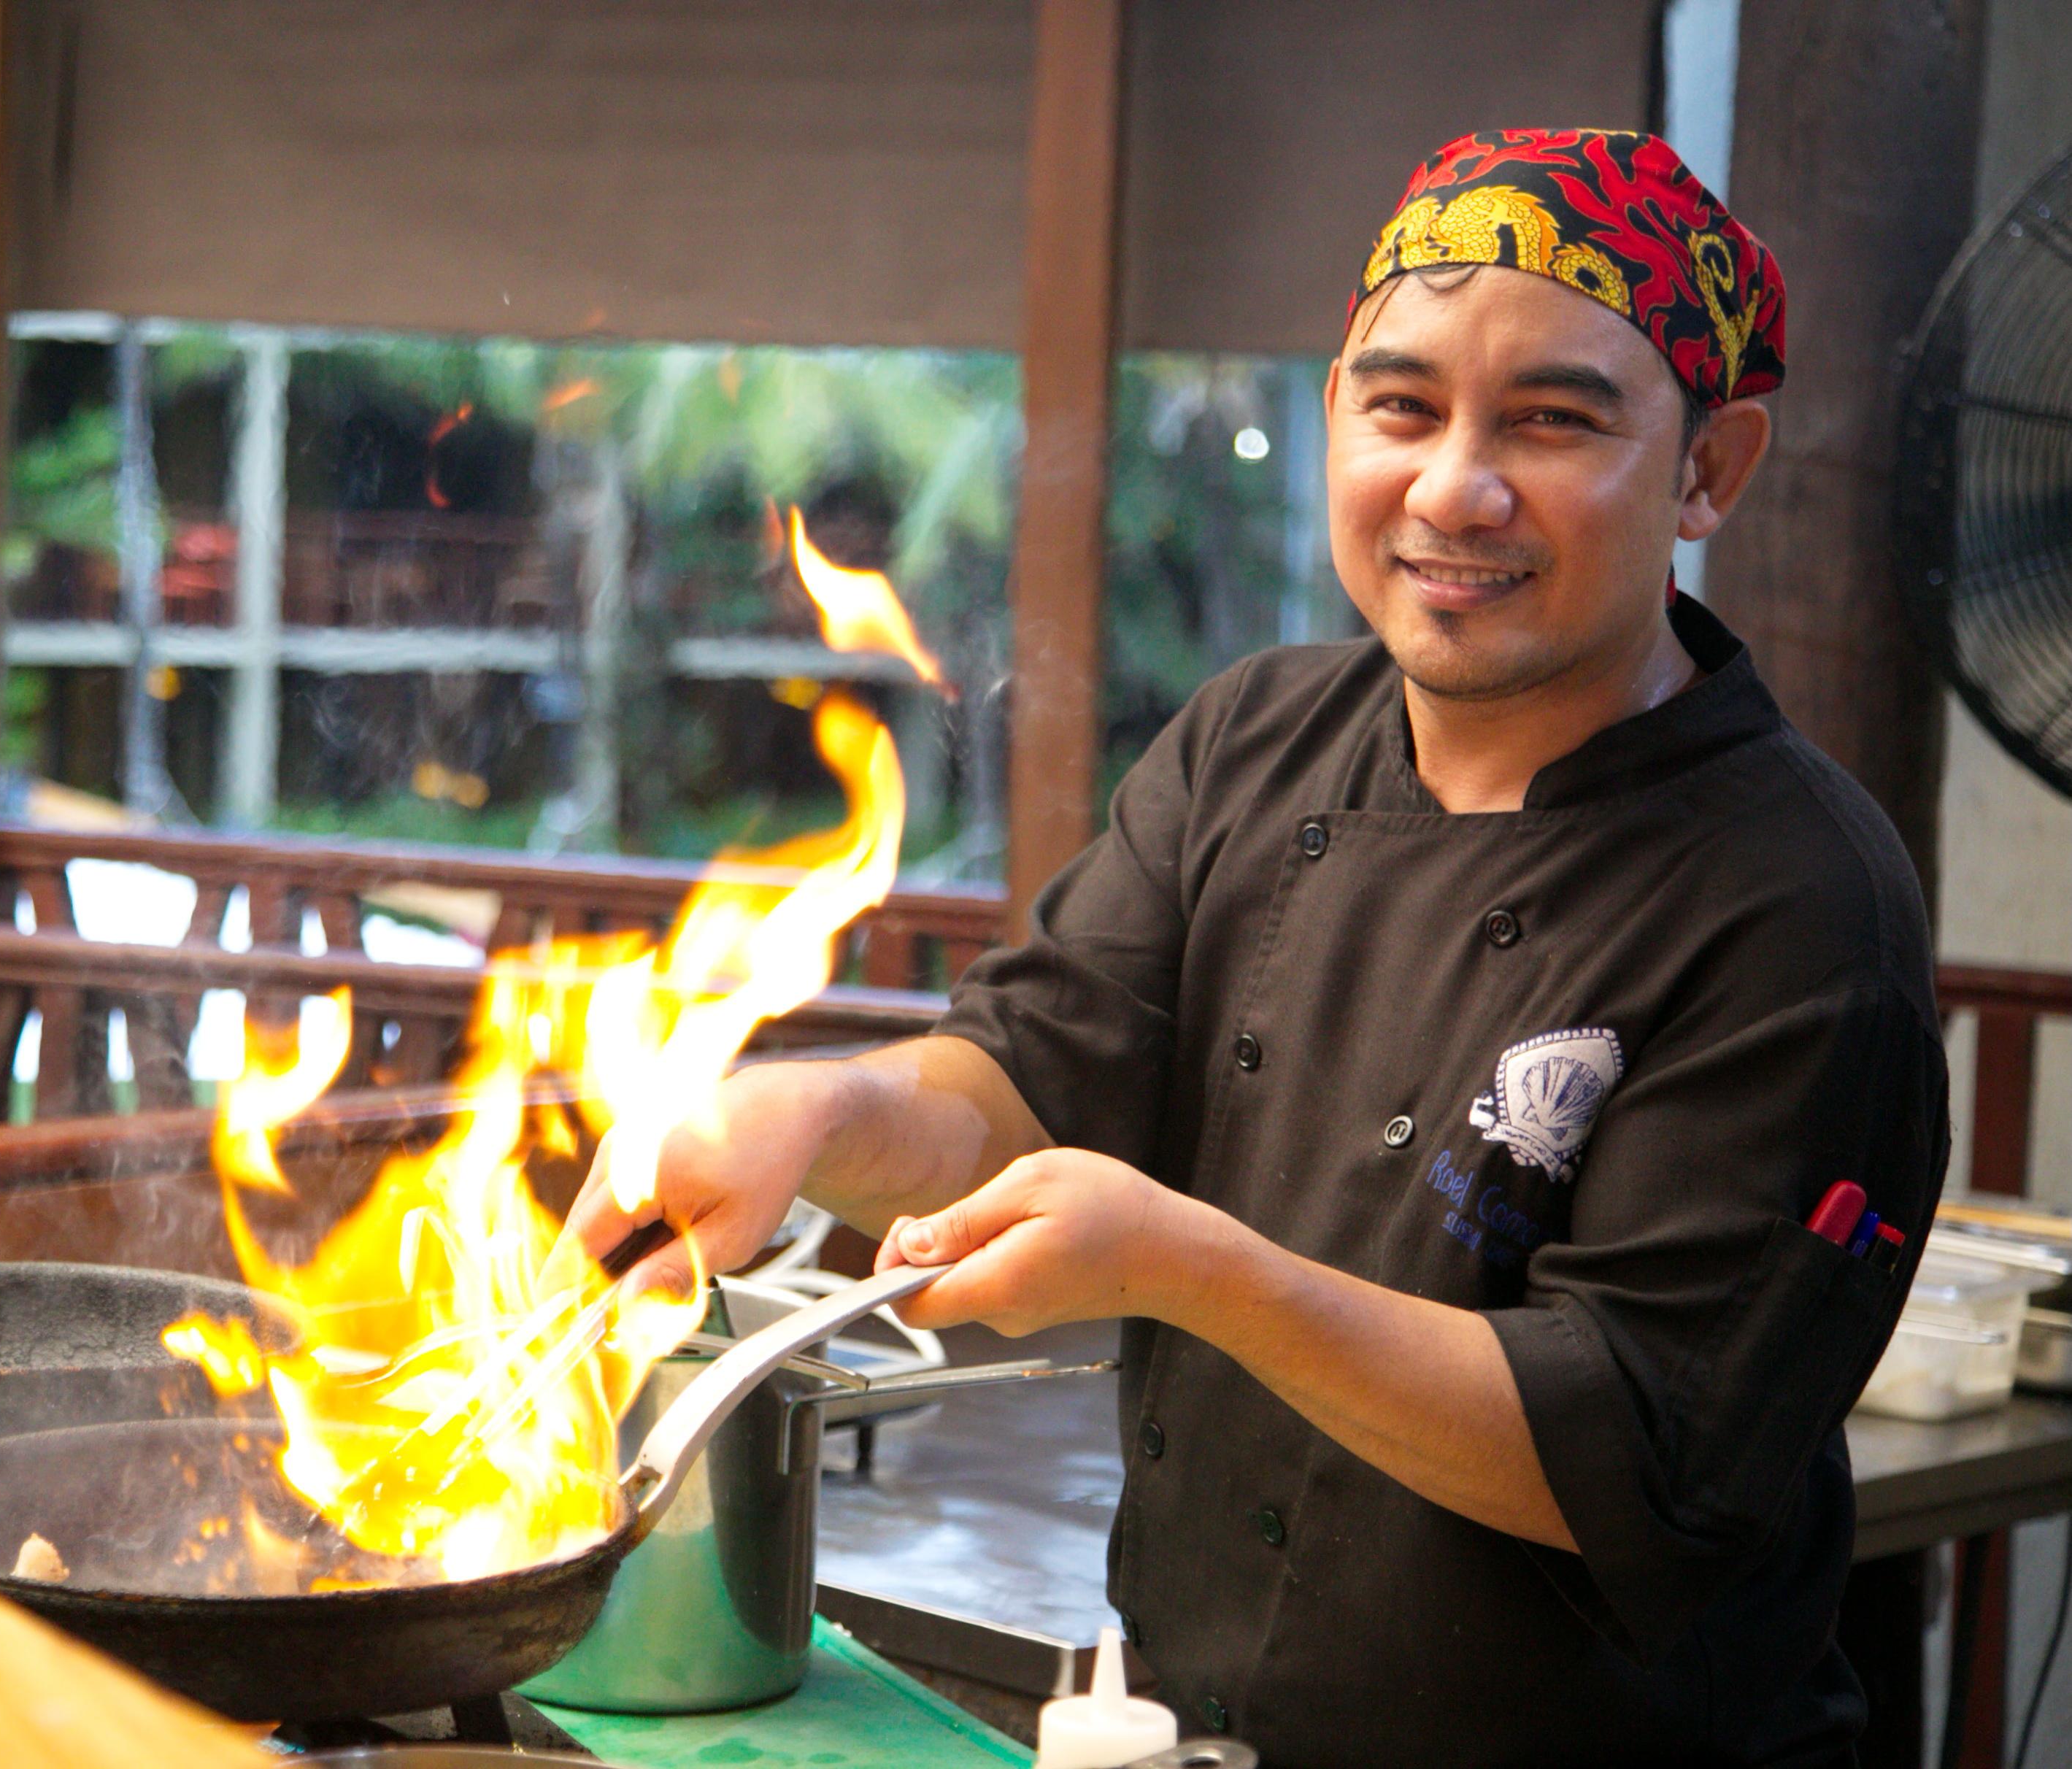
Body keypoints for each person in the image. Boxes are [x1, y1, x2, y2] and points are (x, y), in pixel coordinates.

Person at [570, 128, 1948, 1768]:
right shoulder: (1258, 739)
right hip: (1197, 1723)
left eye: (1553, 420)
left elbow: (1637, 1443)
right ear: (1333, 420)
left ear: (1709, 468)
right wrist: (814, 1122)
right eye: (1403, 405)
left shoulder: (1799, 900)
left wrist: (1184, 1267)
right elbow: (1023, 1074)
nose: (1453, 486)